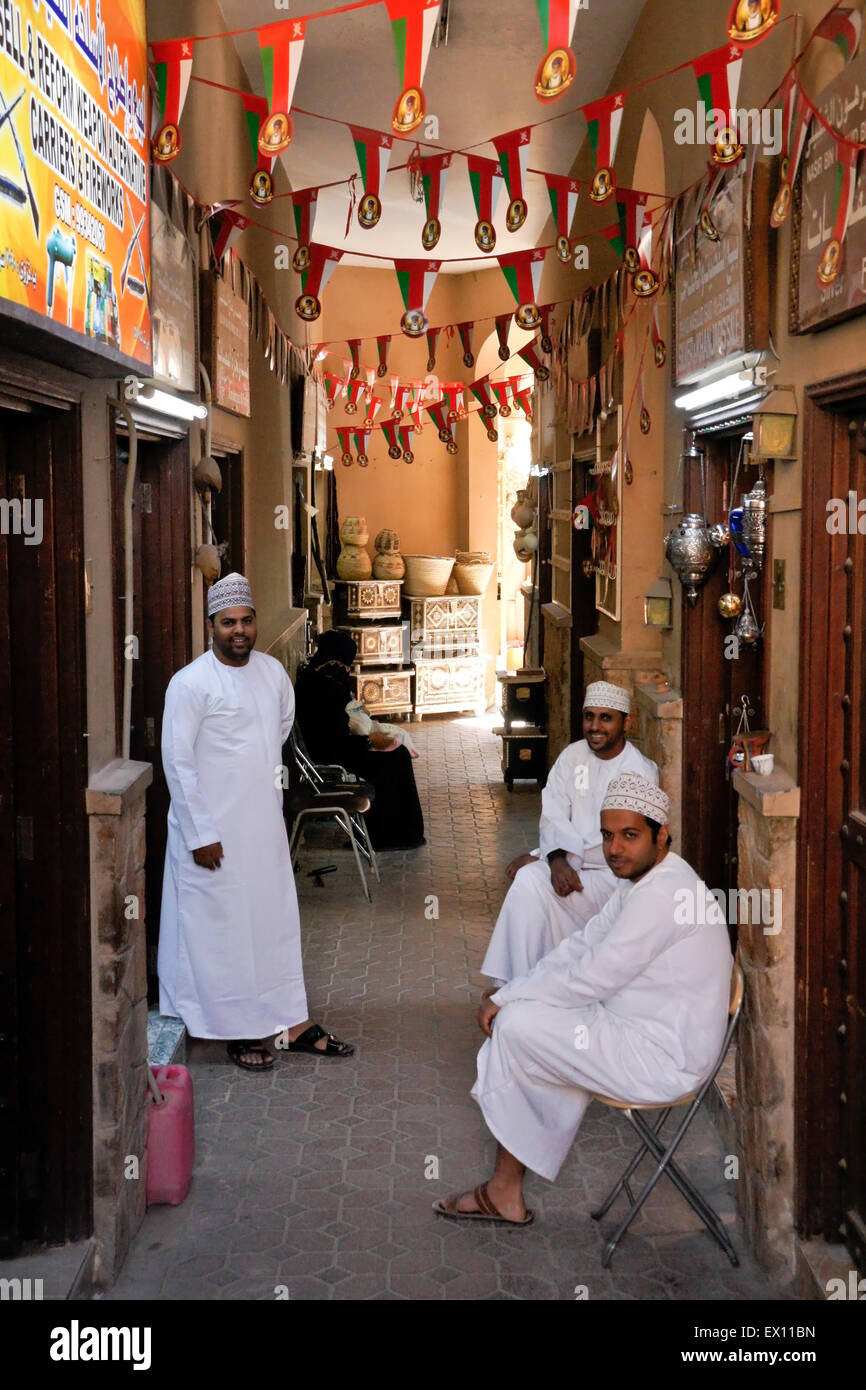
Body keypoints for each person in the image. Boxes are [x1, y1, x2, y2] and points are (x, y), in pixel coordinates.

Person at [434, 774, 732, 1225]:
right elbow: (583, 945)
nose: (615, 849)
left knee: (517, 1028)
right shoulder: (644, 879)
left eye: (630, 835)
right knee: (524, 1022)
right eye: (608, 835)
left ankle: (502, 1190)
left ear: (661, 834)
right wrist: (511, 992)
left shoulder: (665, 893)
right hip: (633, 1025)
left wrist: (509, 998)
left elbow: (592, 977)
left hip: (664, 1058)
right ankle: (504, 1190)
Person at [158, 573, 354, 1070]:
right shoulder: (189, 684)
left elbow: (280, 730)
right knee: (223, 934)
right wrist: (201, 834)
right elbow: (178, 765)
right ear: (211, 626)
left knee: (275, 926)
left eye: (246, 621)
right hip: (212, 837)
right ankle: (238, 1029)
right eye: (228, 623)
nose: (239, 631)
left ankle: (292, 1022)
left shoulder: (272, 675)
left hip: (262, 830)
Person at [481, 682, 657, 985]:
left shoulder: (638, 771)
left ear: (626, 722)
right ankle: (518, 985)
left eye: (606, 718)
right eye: (589, 717)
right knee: (527, 882)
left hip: (612, 878)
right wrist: (554, 858)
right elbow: (554, 812)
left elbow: (621, 842)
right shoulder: (573, 756)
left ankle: (542, 985)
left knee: (539, 889)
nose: (595, 727)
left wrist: (549, 859)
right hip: (569, 864)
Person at [293, 629, 425, 851]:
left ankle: (402, 834)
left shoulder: (320, 680)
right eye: (344, 664)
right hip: (330, 755)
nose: (345, 670)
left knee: (398, 754)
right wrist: (368, 744)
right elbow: (331, 742)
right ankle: (386, 836)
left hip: (337, 748)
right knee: (392, 761)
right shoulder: (321, 687)